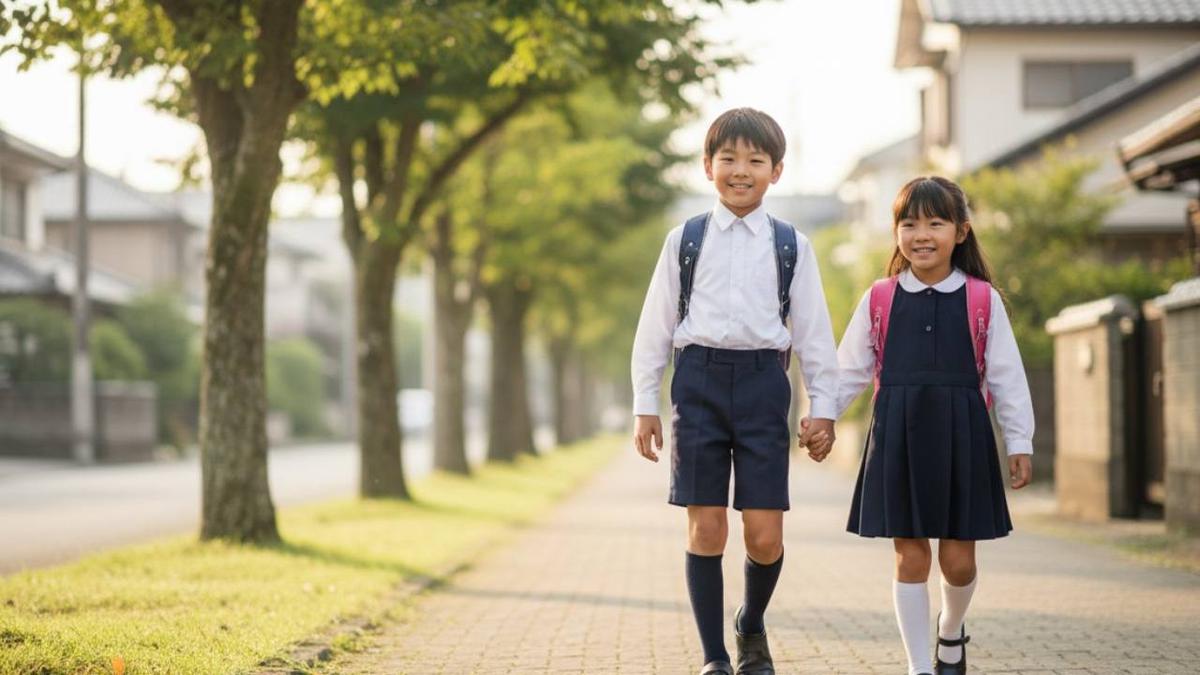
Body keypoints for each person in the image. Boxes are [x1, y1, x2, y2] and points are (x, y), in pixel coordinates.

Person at [631, 107, 839, 675]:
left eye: (755, 160)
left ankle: (750, 622)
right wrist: (644, 404)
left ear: (776, 171)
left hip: (763, 385)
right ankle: (717, 658)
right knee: (706, 526)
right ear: (707, 166)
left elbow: (814, 333)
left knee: (764, 535)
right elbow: (654, 327)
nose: (740, 170)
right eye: (728, 159)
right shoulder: (686, 240)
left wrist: (824, 409)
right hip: (696, 382)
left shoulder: (790, 244)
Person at [801, 175, 1034, 675]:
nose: (921, 234)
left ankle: (951, 631)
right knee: (909, 556)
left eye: (935, 222)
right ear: (896, 232)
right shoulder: (881, 298)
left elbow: (1008, 377)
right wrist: (823, 418)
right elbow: (850, 370)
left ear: (961, 232)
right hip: (898, 435)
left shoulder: (981, 300)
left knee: (959, 561)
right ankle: (918, 667)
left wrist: (1020, 441)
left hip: (963, 435)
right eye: (909, 224)